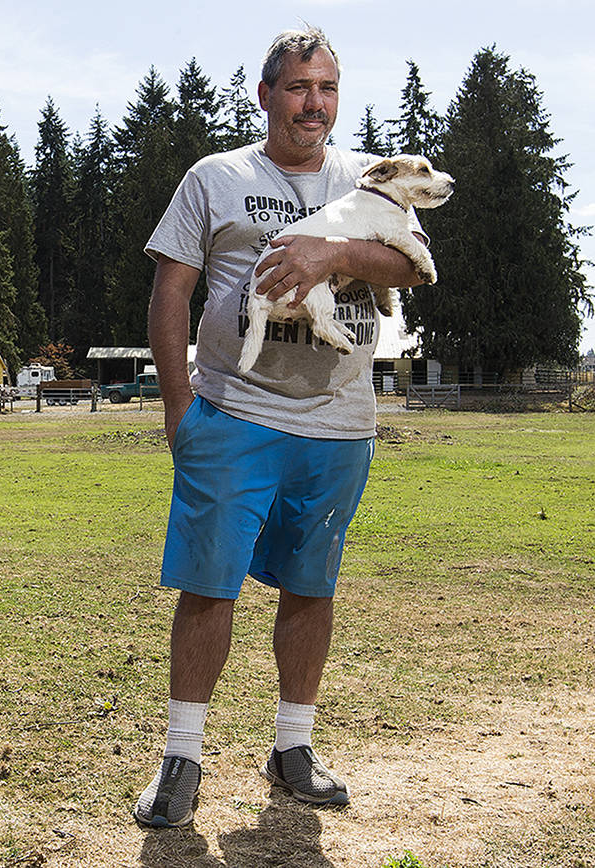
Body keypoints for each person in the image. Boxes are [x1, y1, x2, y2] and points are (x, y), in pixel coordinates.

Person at [133, 25, 429, 829]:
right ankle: (182, 757)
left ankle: (292, 746)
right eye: (299, 88)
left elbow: (410, 265)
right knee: (209, 584)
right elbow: (171, 294)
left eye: (327, 88)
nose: (314, 104)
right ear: (266, 95)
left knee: (311, 584)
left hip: (340, 420)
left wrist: (332, 256)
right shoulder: (215, 178)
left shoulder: (370, 178)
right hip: (234, 414)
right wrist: (178, 410)